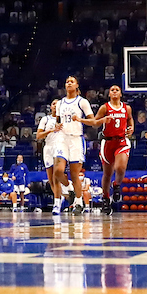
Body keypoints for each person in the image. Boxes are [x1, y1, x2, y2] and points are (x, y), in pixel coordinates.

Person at [77, 84, 132, 214]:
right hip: (107, 143)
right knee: (107, 174)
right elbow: (95, 124)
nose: (114, 92)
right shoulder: (104, 108)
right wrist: (103, 120)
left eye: (116, 90)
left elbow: (130, 120)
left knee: (120, 167)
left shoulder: (127, 108)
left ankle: (117, 185)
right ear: (109, 94)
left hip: (121, 141)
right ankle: (106, 198)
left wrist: (131, 128)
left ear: (120, 94)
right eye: (112, 90)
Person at [56, 76, 95, 215]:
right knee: (58, 171)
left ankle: (78, 202)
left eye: (72, 81)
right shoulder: (60, 103)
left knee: (74, 174)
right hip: (62, 138)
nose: (69, 83)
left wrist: (80, 119)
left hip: (76, 139)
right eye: (67, 81)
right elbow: (57, 121)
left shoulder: (82, 102)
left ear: (77, 85)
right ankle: (70, 190)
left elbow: (93, 122)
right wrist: (56, 126)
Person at [36, 101, 66, 214]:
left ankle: (56, 204)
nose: (55, 105)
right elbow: (38, 136)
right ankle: (60, 197)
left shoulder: (64, 119)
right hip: (48, 147)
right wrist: (51, 130)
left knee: (56, 177)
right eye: (53, 103)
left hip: (59, 147)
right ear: (51, 106)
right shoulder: (46, 119)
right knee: (51, 180)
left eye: (58, 104)